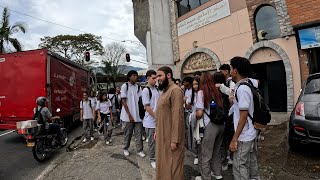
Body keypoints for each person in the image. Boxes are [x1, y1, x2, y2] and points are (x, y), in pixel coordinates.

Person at [229, 56, 260, 180]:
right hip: (251, 132)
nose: (230, 71)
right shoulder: (249, 82)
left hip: (244, 135)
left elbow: (243, 116)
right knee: (252, 163)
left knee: (239, 165)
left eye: (231, 68)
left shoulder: (242, 89)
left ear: (235, 70)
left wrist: (234, 139)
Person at [155, 66, 185, 180]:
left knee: (174, 166)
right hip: (163, 135)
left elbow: (177, 117)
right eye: (157, 76)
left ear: (168, 75)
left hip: (172, 137)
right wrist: (157, 130)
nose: (158, 79)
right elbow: (161, 114)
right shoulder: (165, 91)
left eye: (160, 76)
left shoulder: (175, 90)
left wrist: (174, 140)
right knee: (164, 164)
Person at [195, 73, 225, 180]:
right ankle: (217, 173)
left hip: (210, 125)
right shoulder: (217, 92)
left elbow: (199, 113)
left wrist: (193, 116)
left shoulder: (201, 93)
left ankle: (206, 177)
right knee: (216, 151)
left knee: (205, 154)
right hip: (221, 125)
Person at [120, 70, 145, 158]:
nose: (136, 77)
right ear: (129, 76)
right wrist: (129, 115)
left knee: (139, 134)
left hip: (137, 116)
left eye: (136, 75)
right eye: (134, 75)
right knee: (128, 134)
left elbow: (141, 101)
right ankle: (125, 148)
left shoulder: (138, 87)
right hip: (127, 116)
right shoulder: (125, 86)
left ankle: (140, 150)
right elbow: (123, 101)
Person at [142, 70, 160, 169]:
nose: (155, 80)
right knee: (152, 142)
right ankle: (152, 159)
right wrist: (156, 117)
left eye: (156, 78)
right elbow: (147, 107)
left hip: (158, 121)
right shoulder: (146, 90)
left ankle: (158, 158)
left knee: (159, 141)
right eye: (153, 78)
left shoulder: (156, 89)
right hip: (150, 122)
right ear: (148, 78)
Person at [186, 76, 201, 165]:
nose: (195, 86)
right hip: (193, 119)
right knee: (193, 137)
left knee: (199, 138)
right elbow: (188, 107)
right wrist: (185, 101)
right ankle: (196, 155)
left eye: (197, 84)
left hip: (200, 119)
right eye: (194, 84)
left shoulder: (202, 93)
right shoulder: (192, 94)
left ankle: (200, 155)